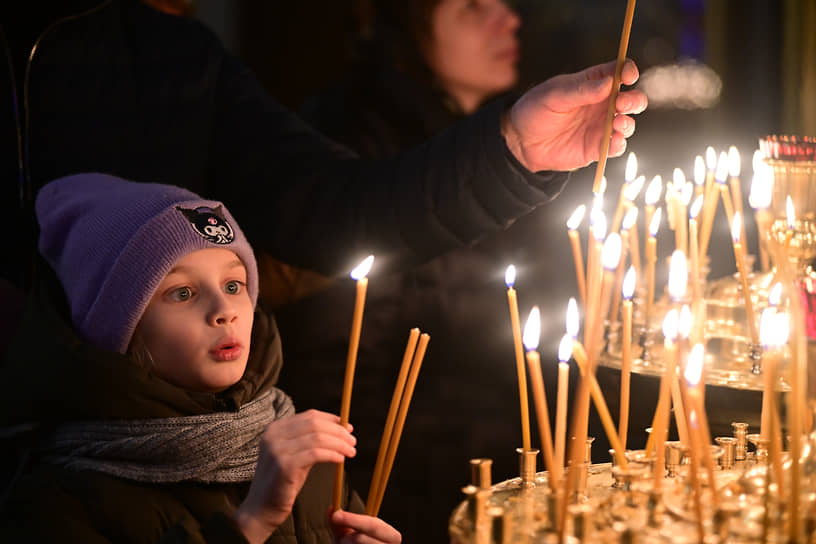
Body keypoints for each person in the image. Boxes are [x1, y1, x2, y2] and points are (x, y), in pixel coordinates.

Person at [0, 172, 402, 543]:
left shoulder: (302, 458)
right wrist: (252, 524)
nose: (224, 310)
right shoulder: (60, 501)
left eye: (233, 284)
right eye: (182, 293)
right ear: (119, 327)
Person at [277, 1, 539, 537]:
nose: (508, 19)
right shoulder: (355, 155)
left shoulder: (503, 147)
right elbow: (340, 371)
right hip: (395, 498)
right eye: (472, 7)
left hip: (487, 470)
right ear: (407, 29)